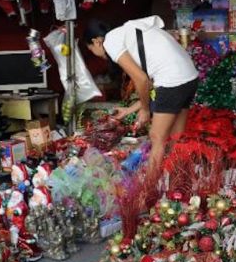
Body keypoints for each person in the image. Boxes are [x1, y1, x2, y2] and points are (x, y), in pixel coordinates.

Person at [84, 16, 199, 170]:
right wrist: (129, 110)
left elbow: (142, 80)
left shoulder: (110, 42)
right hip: (189, 77)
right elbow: (152, 87)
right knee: (175, 138)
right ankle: (177, 181)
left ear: (97, 41)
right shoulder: (126, 33)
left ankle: (149, 190)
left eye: (91, 49)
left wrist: (145, 110)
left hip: (173, 80)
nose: (95, 54)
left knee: (157, 137)